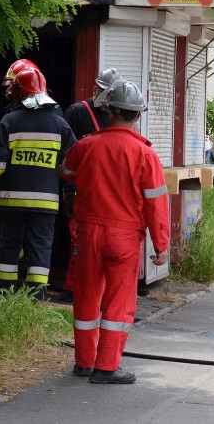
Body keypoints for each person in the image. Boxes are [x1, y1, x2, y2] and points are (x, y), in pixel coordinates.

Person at [60, 80, 169, 385]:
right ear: (137, 116)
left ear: (107, 110)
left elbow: (66, 172)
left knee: (86, 298)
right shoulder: (145, 155)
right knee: (119, 304)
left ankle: (83, 363)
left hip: (88, 233)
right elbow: (156, 205)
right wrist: (161, 246)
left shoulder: (86, 146)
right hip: (124, 238)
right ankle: (106, 367)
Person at [0, 67, 76, 301]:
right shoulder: (60, 124)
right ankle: (36, 299)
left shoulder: (9, 120)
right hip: (45, 203)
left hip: (11, 201)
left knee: (9, 245)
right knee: (40, 248)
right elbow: (73, 165)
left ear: (18, 92)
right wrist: (69, 194)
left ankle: (4, 295)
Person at [61, 67, 122, 296]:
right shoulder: (78, 112)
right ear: (96, 88)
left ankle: (95, 290)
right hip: (80, 189)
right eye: (103, 91)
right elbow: (66, 153)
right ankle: (72, 289)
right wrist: (68, 190)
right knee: (80, 241)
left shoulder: (115, 114)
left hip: (107, 190)